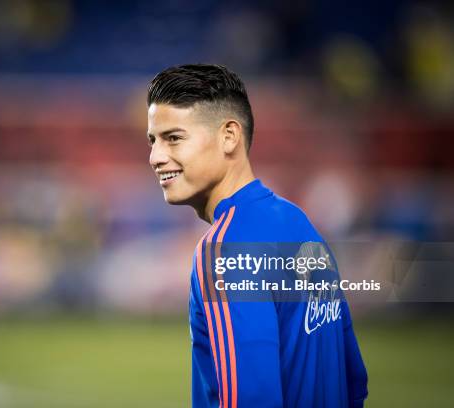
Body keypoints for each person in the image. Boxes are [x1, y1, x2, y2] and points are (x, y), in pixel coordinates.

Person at [146, 64, 368, 408]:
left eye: (173, 138)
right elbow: (353, 380)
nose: (156, 157)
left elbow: (251, 399)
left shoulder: (225, 250)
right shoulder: (299, 224)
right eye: (153, 141)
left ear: (229, 137)